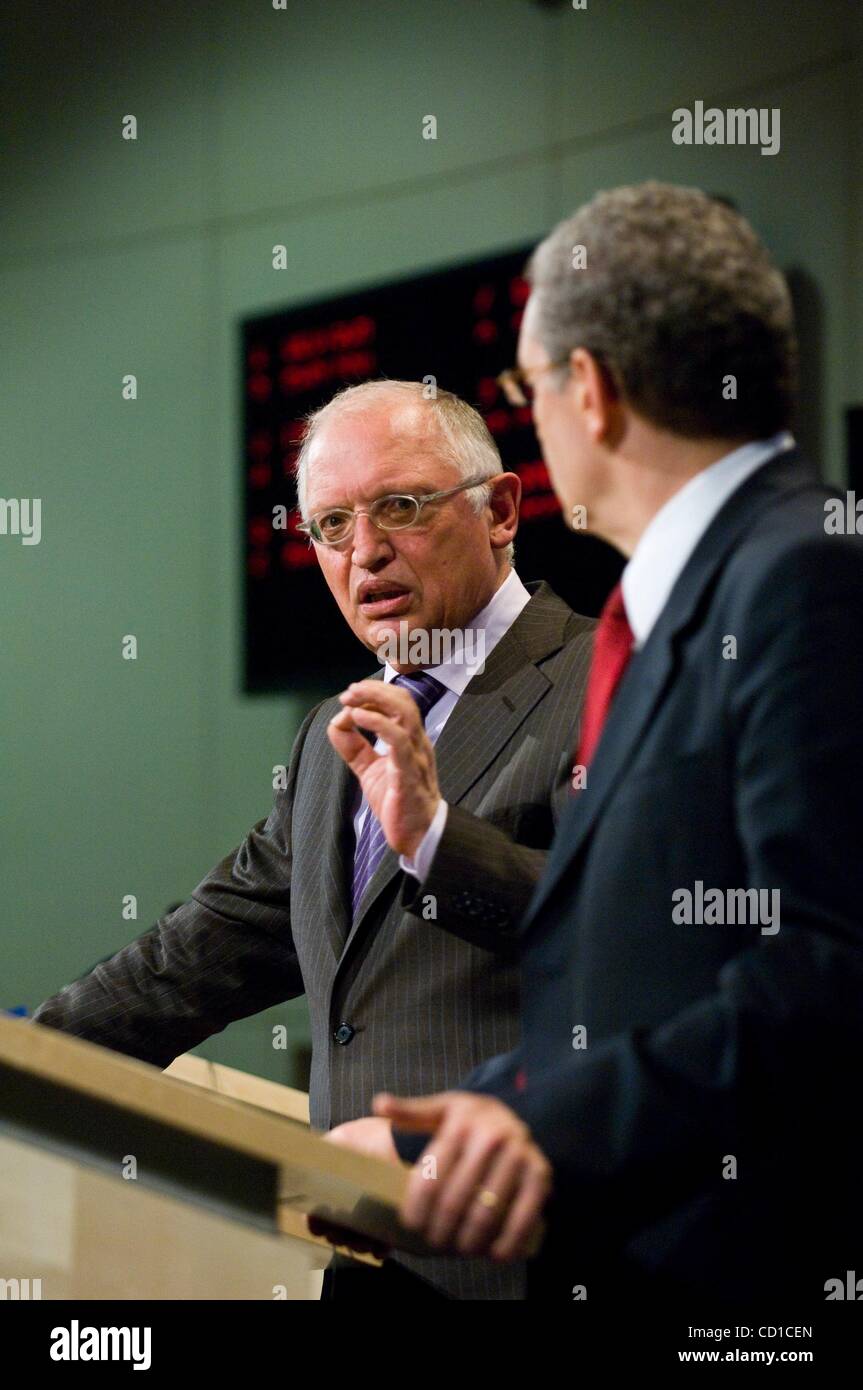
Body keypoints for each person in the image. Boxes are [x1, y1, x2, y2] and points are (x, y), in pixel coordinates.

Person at [327, 184, 863, 1307]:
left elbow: (827, 973)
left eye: (526, 389)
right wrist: (464, 1124)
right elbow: (644, 983)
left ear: (592, 392)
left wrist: (533, 1121)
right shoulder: (685, 605)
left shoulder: (803, 576)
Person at [31, 379, 595, 1301]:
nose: (365, 550)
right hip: (365, 1270)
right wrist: (31, 1063)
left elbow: (624, 938)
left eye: (400, 508)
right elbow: (192, 955)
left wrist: (437, 840)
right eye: (331, 525)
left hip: (533, 1268)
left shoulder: (602, 677)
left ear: (499, 510)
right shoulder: (337, 737)